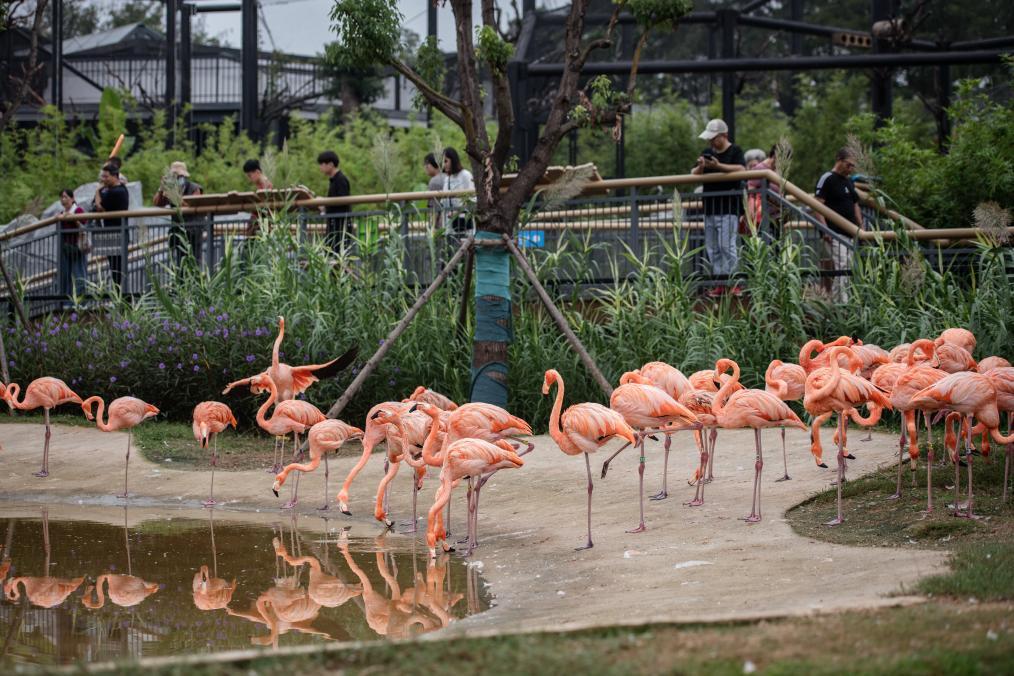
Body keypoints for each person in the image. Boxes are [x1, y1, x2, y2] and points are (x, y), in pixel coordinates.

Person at [691, 119, 746, 296]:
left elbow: (742, 170)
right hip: (710, 208)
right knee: (712, 248)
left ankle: (733, 283)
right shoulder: (707, 152)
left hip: (728, 208)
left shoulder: (735, 151)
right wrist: (702, 166)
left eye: (714, 138)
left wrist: (718, 166)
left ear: (724, 136)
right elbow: (693, 173)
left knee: (726, 246)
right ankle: (720, 283)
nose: (711, 142)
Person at [814, 148, 863, 302]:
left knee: (847, 267)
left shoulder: (849, 181)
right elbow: (817, 205)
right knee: (842, 266)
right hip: (834, 232)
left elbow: (855, 204)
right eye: (849, 165)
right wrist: (825, 230)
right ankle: (844, 303)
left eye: (853, 166)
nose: (851, 169)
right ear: (839, 160)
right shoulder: (827, 178)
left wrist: (860, 226)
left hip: (850, 232)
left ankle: (837, 303)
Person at [153, 161, 204, 266]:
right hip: (178, 230)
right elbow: (157, 203)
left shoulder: (194, 188)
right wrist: (161, 188)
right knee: (180, 262)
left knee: (193, 259)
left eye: (179, 176)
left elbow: (191, 205)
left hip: (193, 230)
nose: (177, 178)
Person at [92, 162, 130, 292]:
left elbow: (99, 207)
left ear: (115, 176)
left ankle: (121, 297)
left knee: (118, 268)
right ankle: (118, 296)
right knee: (115, 267)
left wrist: (97, 190)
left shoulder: (117, 191)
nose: (103, 180)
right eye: (102, 176)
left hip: (117, 233)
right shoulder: (112, 189)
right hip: (112, 232)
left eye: (106, 177)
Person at [316, 150, 352, 251]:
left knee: (336, 253)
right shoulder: (334, 180)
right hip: (334, 224)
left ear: (331, 164)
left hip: (340, 226)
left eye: (322, 164)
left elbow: (342, 201)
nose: (320, 167)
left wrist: (324, 203)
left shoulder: (340, 179)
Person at [746, 144, 784, 237]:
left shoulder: (778, 170)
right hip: (762, 217)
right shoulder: (760, 168)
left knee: (777, 248)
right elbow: (751, 191)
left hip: (777, 216)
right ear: (775, 156)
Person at [58, 188, 89, 303]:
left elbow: (84, 227)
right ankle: (67, 303)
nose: (63, 199)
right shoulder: (62, 213)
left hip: (77, 248)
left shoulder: (78, 210)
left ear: (72, 198)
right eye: (61, 197)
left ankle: (81, 302)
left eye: (66, 197)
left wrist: (73, 218)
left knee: (79, 275)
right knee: (65, 276)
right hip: (66, 248)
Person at [440, 148, 474, 236]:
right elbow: (444, 201)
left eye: (446, 161)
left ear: (453, 160)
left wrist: (458, 211)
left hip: (464, 222)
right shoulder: (447, 178)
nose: (444, 165)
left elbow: (473, 199)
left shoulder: (465, 175)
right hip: (450, 224)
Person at [243, 159, 273, 237]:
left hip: (262, 222)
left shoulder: (267, 186)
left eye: (250, 175)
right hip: (258, 221)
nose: (249, 179)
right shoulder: (260, 185)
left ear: (257, 172)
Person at [424, 153, 444, 228]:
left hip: (440, 224)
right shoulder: (447, 177)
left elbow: (434, 207)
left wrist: (432, 227)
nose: (425, 167)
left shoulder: (434, 181)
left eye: (427, 164)